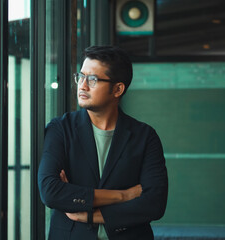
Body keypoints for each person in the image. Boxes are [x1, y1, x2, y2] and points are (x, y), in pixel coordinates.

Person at [38, 45, 168, 240]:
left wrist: (90, 215)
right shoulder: (60, 129)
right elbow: (50, 191)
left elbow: (154, 204)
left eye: (92, 79)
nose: (82, 86)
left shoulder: (144, 136)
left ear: (117, 89)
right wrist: (123, 196)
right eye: (80, 76)